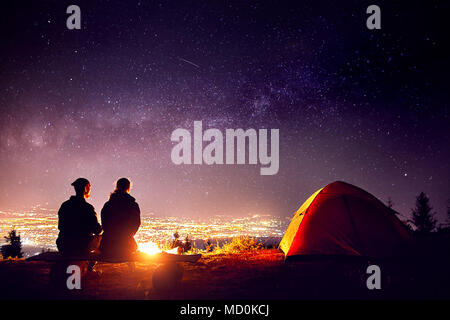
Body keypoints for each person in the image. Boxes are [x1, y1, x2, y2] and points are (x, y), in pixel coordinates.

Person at [56, 178, 102, 256]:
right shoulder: (88, 208)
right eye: (89, 187)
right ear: (85, 188)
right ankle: (91, 265)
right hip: (82, 246)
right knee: (101, 237)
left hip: (64, 245)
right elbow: (97, 230)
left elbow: (60, 226)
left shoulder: (65, 205)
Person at [99, 178, 141, 258]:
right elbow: (136, 223)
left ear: (117, 187)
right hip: (127, 247)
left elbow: (104, 224)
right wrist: (128, 235)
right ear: (128, 188)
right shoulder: (133, 205)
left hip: (107, 246)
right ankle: (132, 269)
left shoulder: (108, 205)